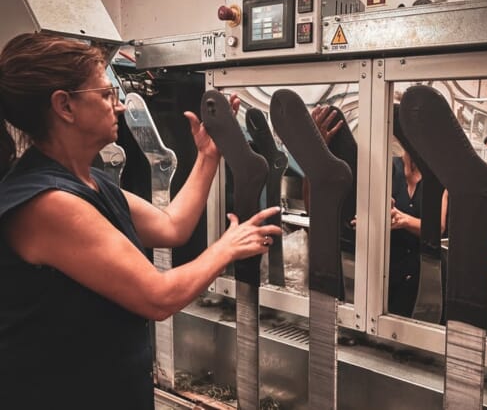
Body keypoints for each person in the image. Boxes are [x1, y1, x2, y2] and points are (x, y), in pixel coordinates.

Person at [0, 33, 282, 409]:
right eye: (105, 95)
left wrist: (208, 156)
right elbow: (158, 296)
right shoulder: (49, 202)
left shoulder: (90, 180)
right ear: (64, 106)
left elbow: (171, 227)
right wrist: (227, 247)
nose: (117, 107)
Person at [388, 148, 448, 317]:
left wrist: (404, 220)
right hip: (389, 267)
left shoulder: (438, 176)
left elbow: (437, 228)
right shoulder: (390, 168)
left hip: (425, 271)